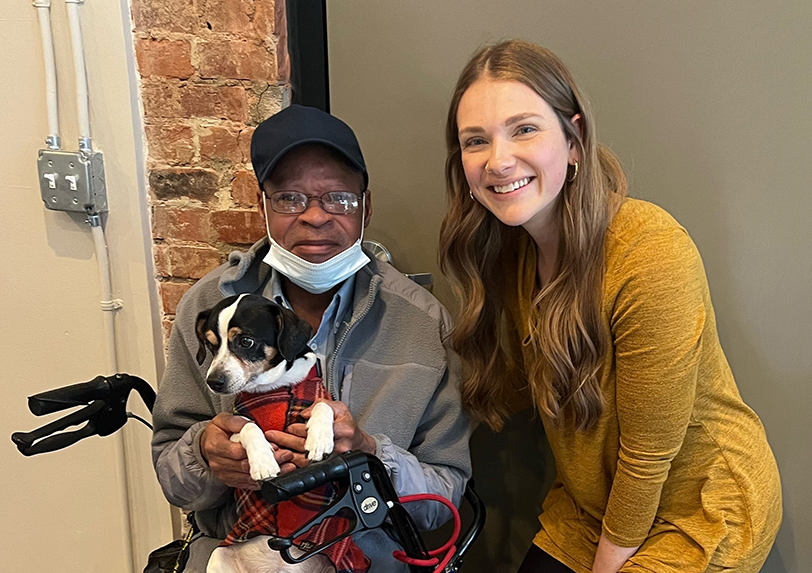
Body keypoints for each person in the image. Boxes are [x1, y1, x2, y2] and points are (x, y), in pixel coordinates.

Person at [439, 40, 781, 573]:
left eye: (524, 128)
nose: (499, 159)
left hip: (696, 509)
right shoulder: (514, 257)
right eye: (475, 141)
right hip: (593, 505)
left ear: (574, 141)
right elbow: (506, 388)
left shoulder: (648, 249)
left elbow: (648, 456)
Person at [152, 104, 472, 572]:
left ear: (366, 206)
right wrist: (206, 455)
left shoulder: (423, 324)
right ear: (262, 205)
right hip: (238, 556)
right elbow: (174, 480)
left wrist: (367, 453)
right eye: (290, 198)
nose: (316, 217)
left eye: (338, 198)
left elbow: (441, 502)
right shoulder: (208, 308)